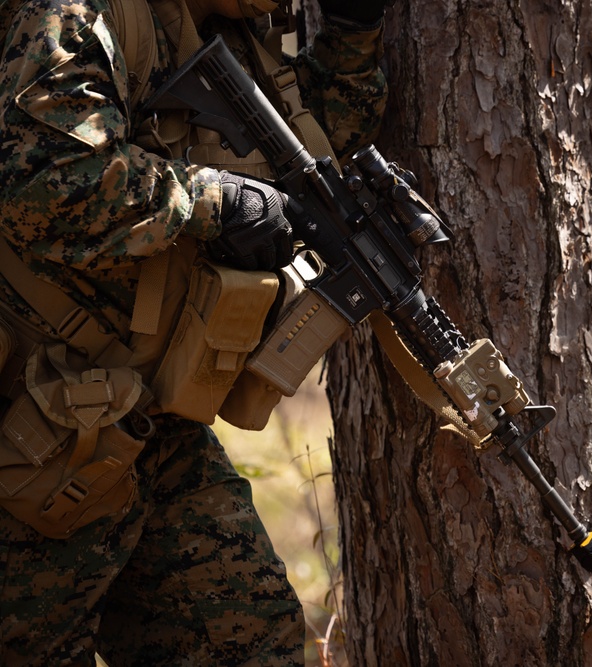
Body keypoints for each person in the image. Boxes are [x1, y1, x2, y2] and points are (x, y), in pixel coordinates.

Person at [0, 0, 387, 663]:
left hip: (142, 423)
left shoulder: (223, 24)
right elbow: (39, 179)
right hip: (27, 427)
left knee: (246, 638)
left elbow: (309, 151)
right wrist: (212, 201)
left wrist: (353, 33)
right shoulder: (80, 13)